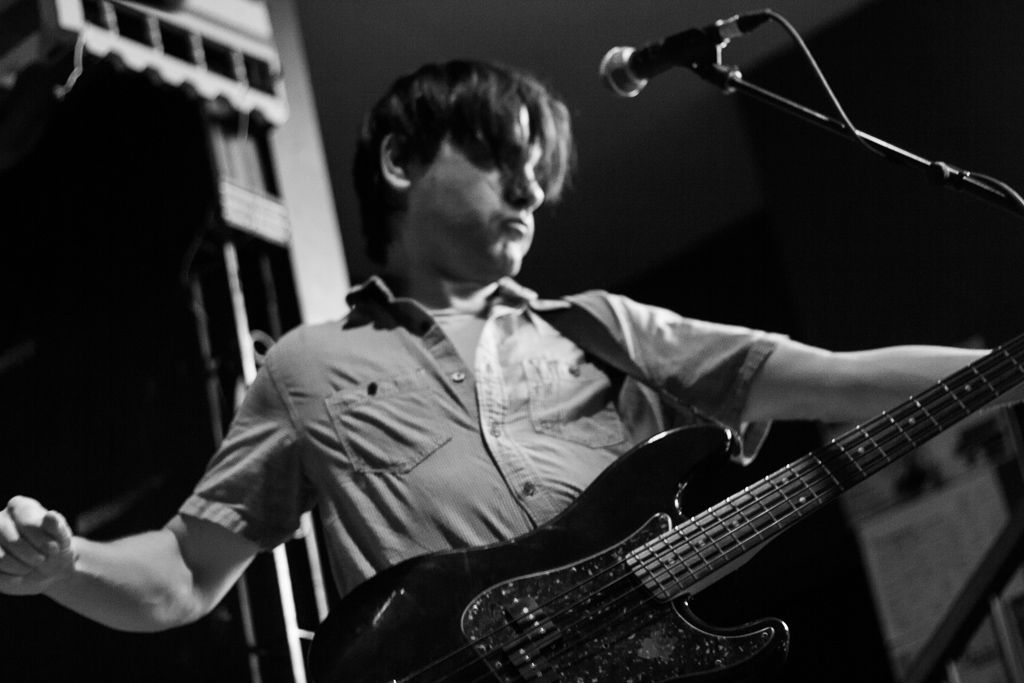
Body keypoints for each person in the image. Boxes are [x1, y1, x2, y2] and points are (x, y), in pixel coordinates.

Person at [0, 60, 1015, 634]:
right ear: (401, 162)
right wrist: (66, 563)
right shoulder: (305, 367)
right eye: (497, 157)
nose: (530, 188)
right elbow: (186, 570)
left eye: (540, 171)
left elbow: (834, 378)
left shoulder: (602, 328)